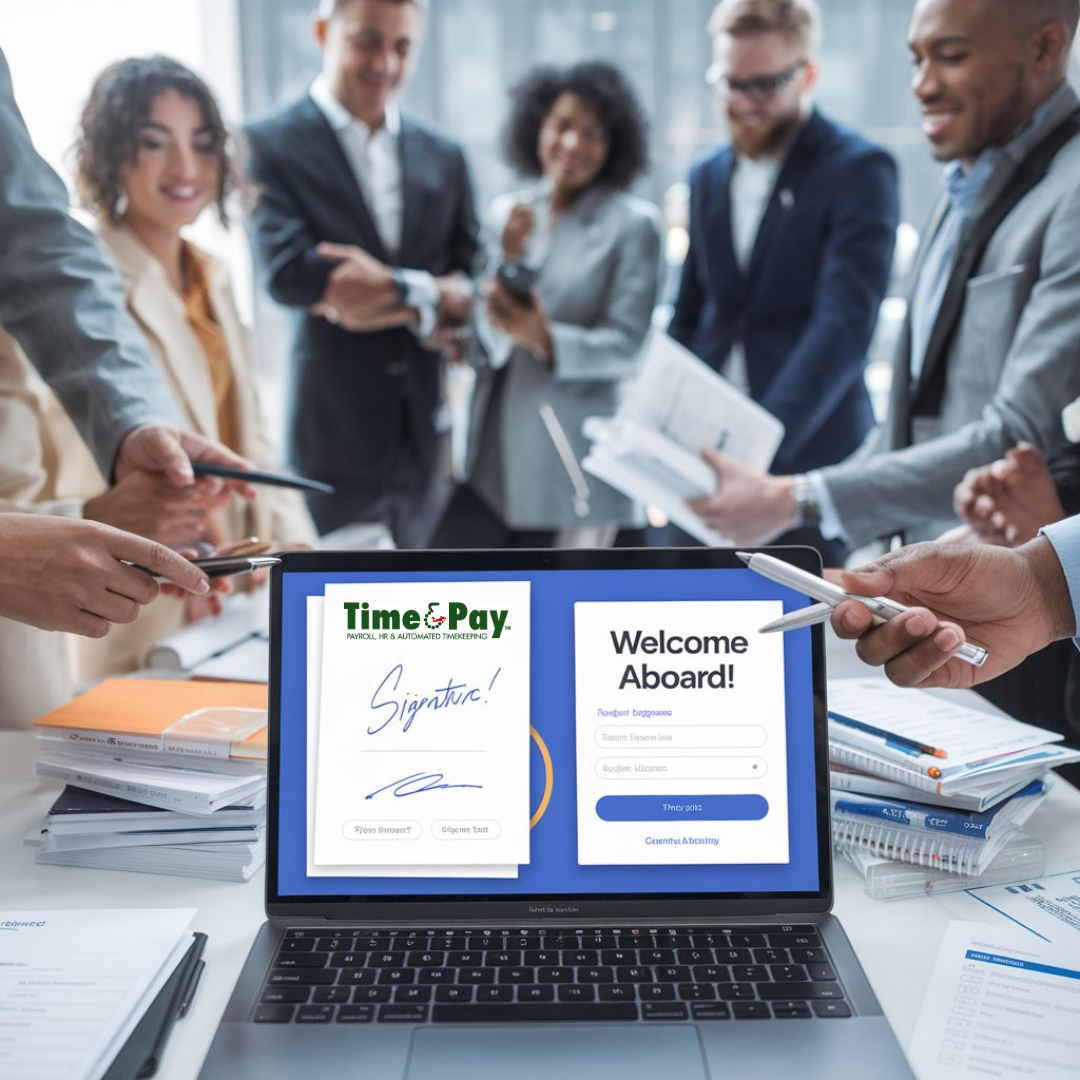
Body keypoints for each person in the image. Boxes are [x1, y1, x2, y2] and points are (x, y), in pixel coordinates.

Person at [687, 0, 1080, 553]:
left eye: (951, 57)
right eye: (917, 59)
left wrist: (798, 496)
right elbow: (915, 413)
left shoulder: (1071, 191)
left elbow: (1018, 437)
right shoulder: (960, 186)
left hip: (1018, 576)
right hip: (922, 556)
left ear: (1044, 48)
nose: (921, 86)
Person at [24, 55, 316, 677]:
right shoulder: (62, 289)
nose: (185, 168)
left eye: (202, 144)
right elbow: (43, 460)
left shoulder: (214, 276)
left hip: (233, 591)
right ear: (110, 153)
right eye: (155, 142)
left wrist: (292, 542)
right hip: (133, 601)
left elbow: (251, 434)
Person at [243, 0, 479, 548]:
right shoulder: (267, 143)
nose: (386, 64)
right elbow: (293, 277)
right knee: (338, 617)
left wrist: (396, 288)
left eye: (403, 47)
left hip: (426, 443)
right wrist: (432, 298)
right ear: (323, 31)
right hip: (332, 443)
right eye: (368, 41)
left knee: (424, 619)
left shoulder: (446, 156)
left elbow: (475, 288)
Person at [670, 0, 898, 562]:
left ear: (808, 74)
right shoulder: (706, 175)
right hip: (702, 457)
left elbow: (843, 327)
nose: (744, 103)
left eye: (765, 85)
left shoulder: (858, 169)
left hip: (806, 453)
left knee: (796, 635)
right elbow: (690, 313)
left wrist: (759, 448)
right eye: (730, 84)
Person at [432, 62, 661, 548]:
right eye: (561, 125)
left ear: (614, 144)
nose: (573, 143)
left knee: (566, 604)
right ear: (537, 127)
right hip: (491, 451)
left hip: (571, 453)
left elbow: (626, 346)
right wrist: (507, 258)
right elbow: (482, 333)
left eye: (592, 133)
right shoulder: (508, 214)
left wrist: (544, 338)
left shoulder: (633, 226)